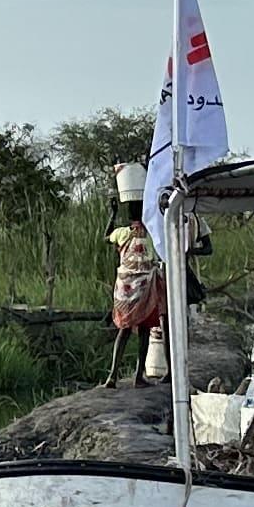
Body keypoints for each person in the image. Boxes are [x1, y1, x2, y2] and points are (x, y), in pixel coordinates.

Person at [104, 165, 167, 385]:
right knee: (143, 332)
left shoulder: (121, 233)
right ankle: (138, 376)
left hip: (125, 290)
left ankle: (112, 375)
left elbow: (106, 237)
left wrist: (112, 214)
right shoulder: (151, 235)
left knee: (123, 331)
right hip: (145, 290)